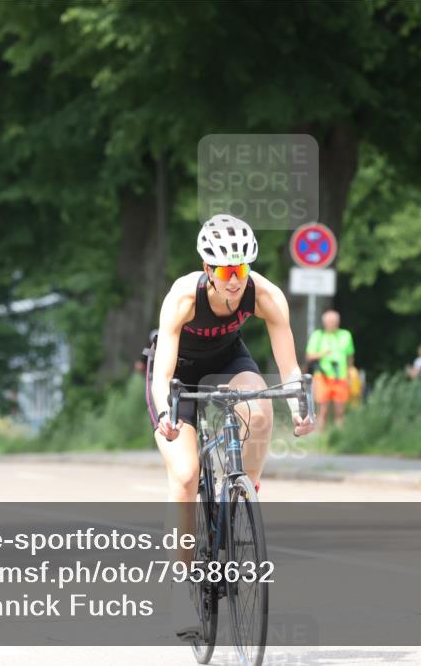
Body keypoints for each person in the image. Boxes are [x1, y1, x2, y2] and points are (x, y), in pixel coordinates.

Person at [146, 214, 313, 637]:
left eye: (242, 269)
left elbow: (289, 366)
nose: (235, 280)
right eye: (225, 271)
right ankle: (182, 587)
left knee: (260, 410)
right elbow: (162, 374)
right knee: (185, 477)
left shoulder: (266, 295)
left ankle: (245, 493)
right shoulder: (183, 297)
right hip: (177, 377)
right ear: (208, 270)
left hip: (227, 361)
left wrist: (298, 406)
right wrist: (167, 413)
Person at [305, 309, 356, 430]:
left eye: (334, 321)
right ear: (324, 322)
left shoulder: (345, 335)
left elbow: (350, 357)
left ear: (338, 322)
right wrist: (323, 354)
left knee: (340, 411)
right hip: (323, 377)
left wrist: (350, 374)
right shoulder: (318, 335)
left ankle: (338, 438)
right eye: (329, 321)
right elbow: (309, 356)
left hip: (341, 377)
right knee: (322, 411)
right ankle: (320, 438)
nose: (331, 323)